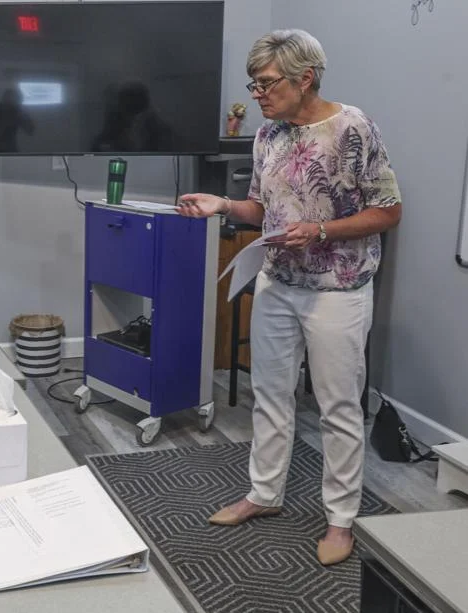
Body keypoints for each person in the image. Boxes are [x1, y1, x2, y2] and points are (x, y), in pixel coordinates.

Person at [178, 29, 402, 566]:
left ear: (306, 78)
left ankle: (340, 520)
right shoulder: (267, 135)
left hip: (338, 290)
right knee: (270, 396)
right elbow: (263, 208)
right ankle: (264, 493)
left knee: (338, 407)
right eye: (253, 85)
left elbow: (389, 210)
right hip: (277, 282)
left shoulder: (353, 127)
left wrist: (321, 231)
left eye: (266, 83)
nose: (257, 94)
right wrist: (222, 205)